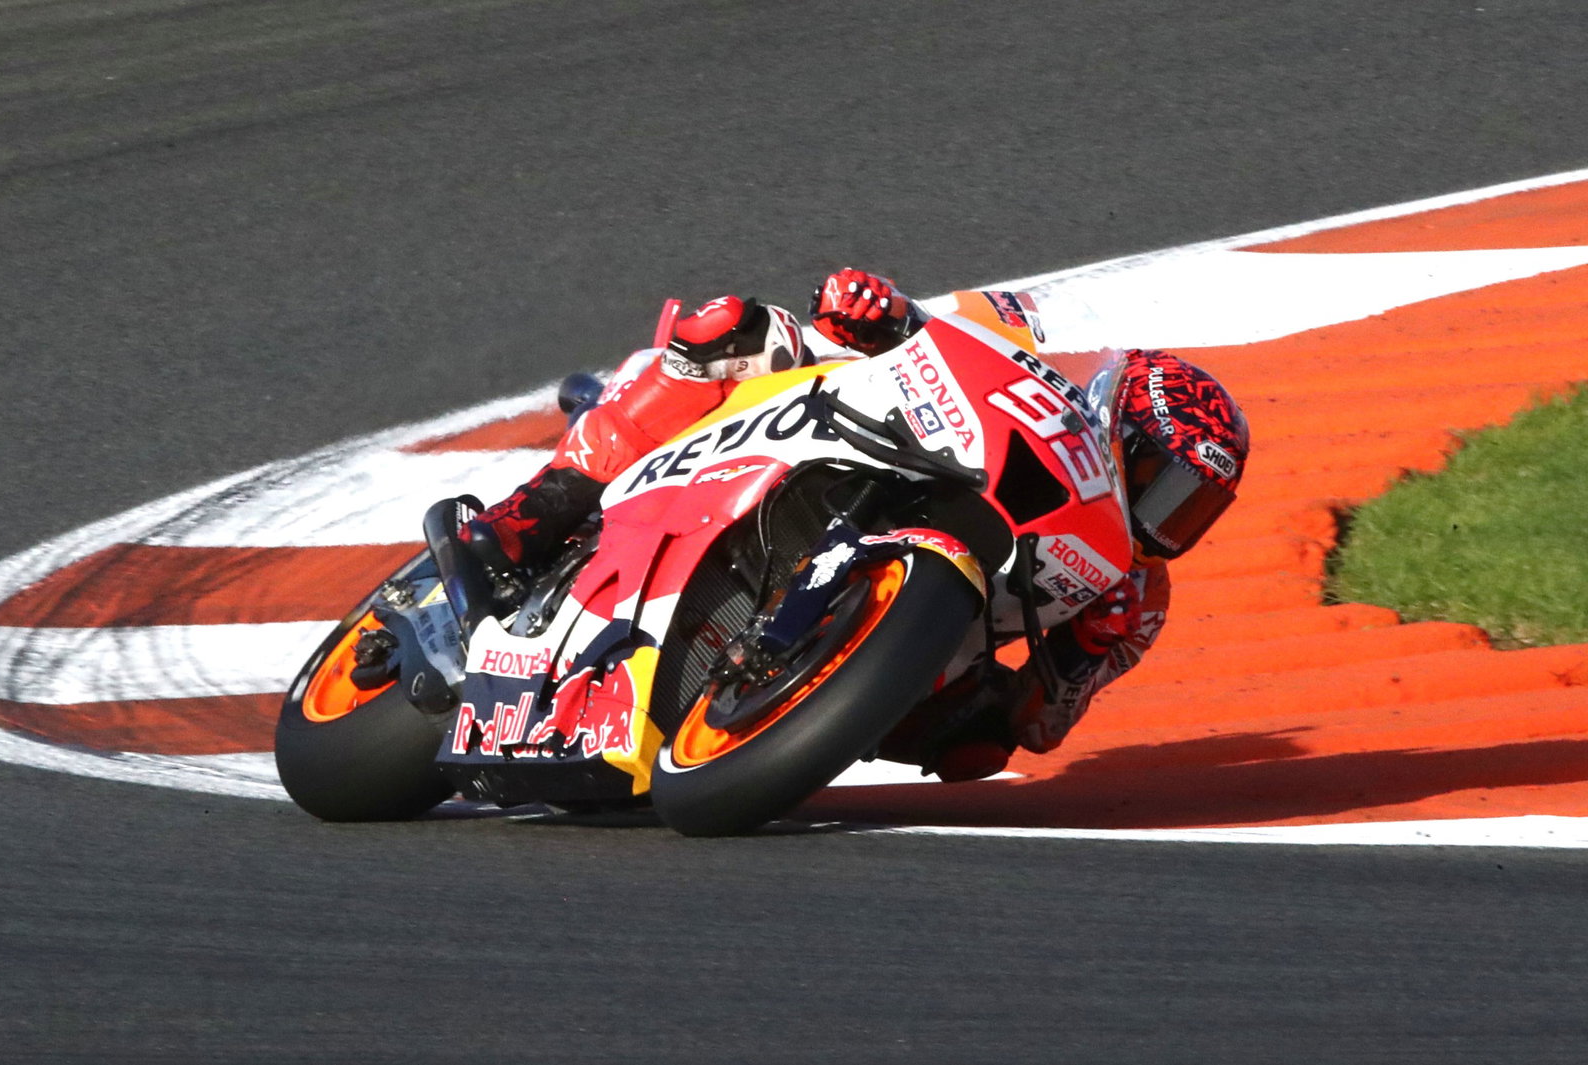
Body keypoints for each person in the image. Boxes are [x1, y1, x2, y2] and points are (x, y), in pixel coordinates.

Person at [460, 268, 1250, 781]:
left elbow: (1039, 730)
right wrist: (874, 311)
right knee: (729, 325)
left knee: (974, 748)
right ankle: (543, 504)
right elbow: (942, 332)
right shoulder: (1042, 386)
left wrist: (1078, 662)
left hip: (927, 646)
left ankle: (787, 701)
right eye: (1164, 484)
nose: (1167, 518)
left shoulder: (1137, 598)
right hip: (879, 438)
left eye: (1192, 508)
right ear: (1117, 425)